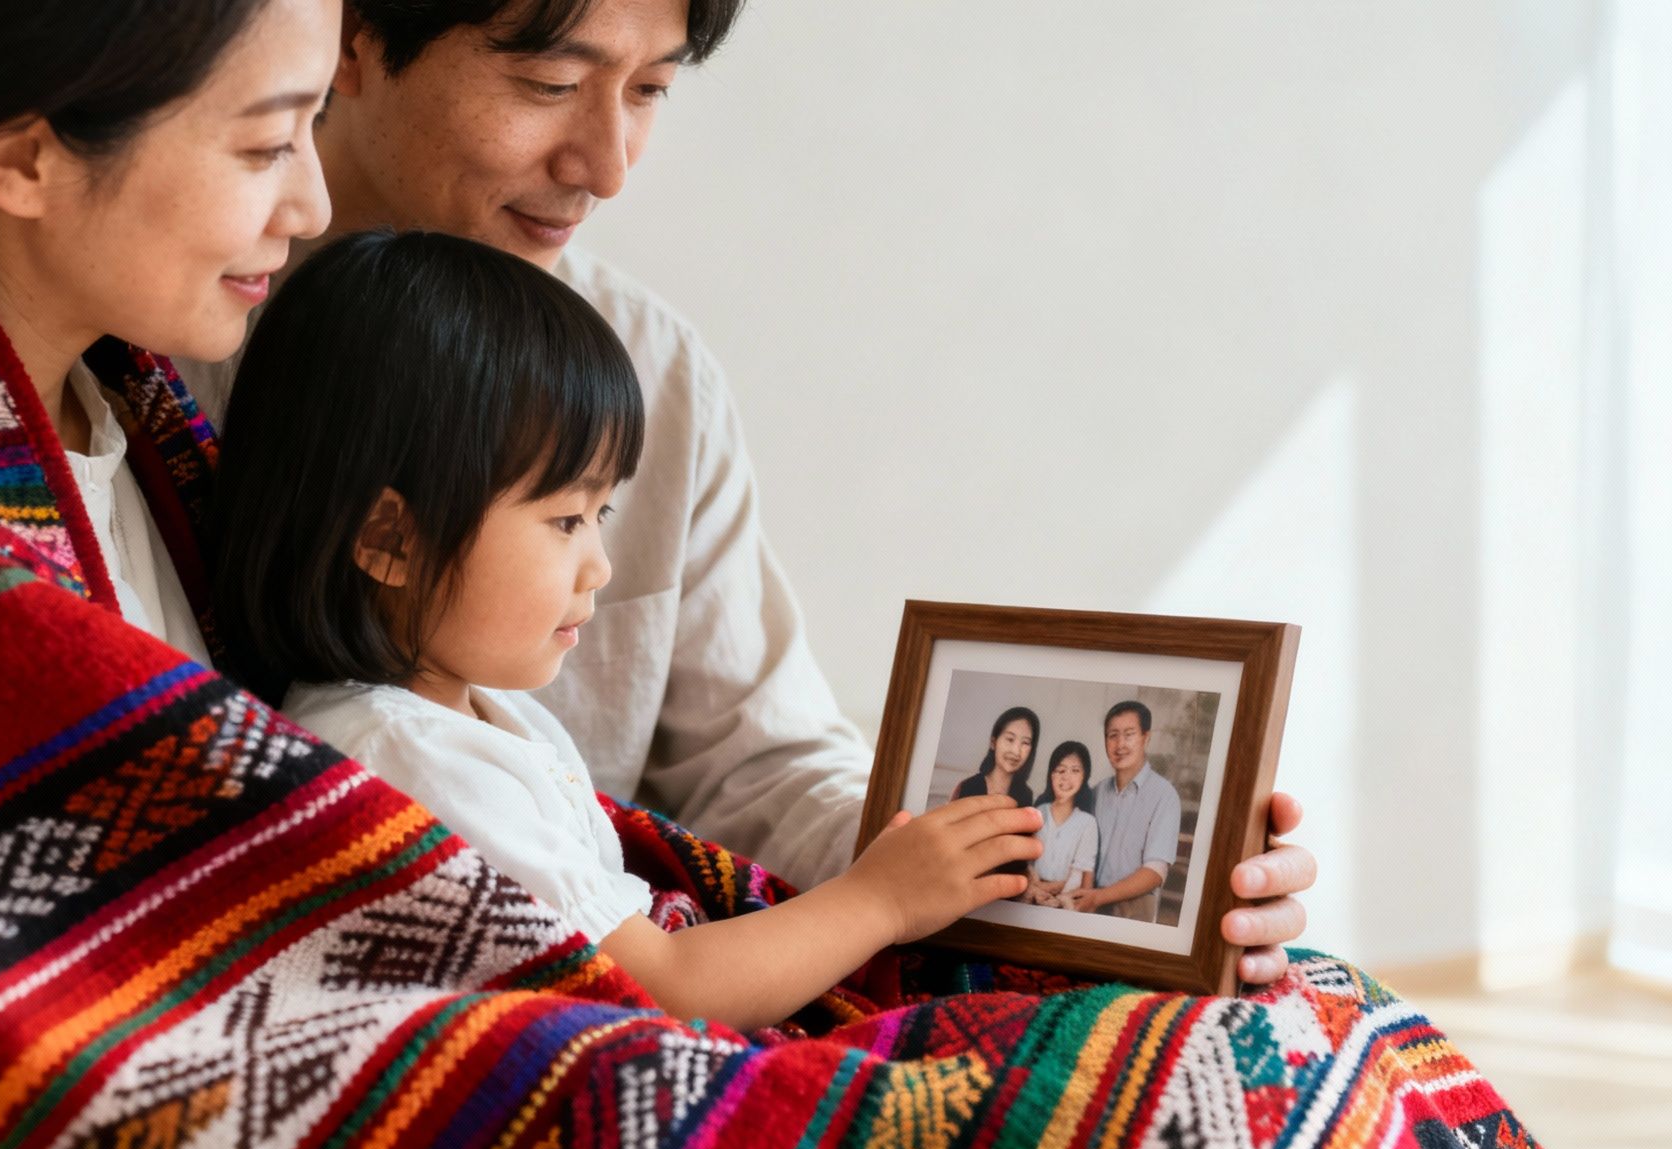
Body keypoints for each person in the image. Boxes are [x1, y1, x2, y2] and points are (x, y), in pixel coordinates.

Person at [172, 0, 1319, 986]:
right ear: (352, 39)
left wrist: (1028, 888)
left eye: (652, 90)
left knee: (1307, 1018)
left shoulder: (647, 377)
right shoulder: (156, 353)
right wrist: (886, 900)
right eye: (549, 80)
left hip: (715, 956)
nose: (606, 164)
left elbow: (763, 763)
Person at [210, 229, 1046, 1031]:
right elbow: (663, 990)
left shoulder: (476, 715)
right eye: (567, 519)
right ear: (390, 540)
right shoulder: (407, 760)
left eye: (601, 514)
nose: (601, 566)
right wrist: (880, 900)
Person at [1068, 700, 1183, 922]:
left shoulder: (1164, 795)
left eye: (1129, 734)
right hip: (1088, 903)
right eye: (1112, 735)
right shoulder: (1097, 792)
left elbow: (1155, 872)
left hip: (1134, 910)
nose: (1120, 744)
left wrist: (1099, 897)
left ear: (1145, 738)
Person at [1024, 740, 1100, 909]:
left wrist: (1054, 891)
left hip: (1066, 901)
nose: (1066, 777)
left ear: (1084, 777)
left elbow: (1085, 877)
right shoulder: (1038, 812)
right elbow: (1025, 861)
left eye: (1075, 771)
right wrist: (1035, 888)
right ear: (1052, 774)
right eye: (1061, 770)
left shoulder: (1088, 823)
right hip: (1030, 896)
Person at [949, 705, 1039, 807]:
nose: (1016, 751)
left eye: (1025, 743)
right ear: (993, 742)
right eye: (1010, 739)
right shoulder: (968, 787)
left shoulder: (1026, 796)